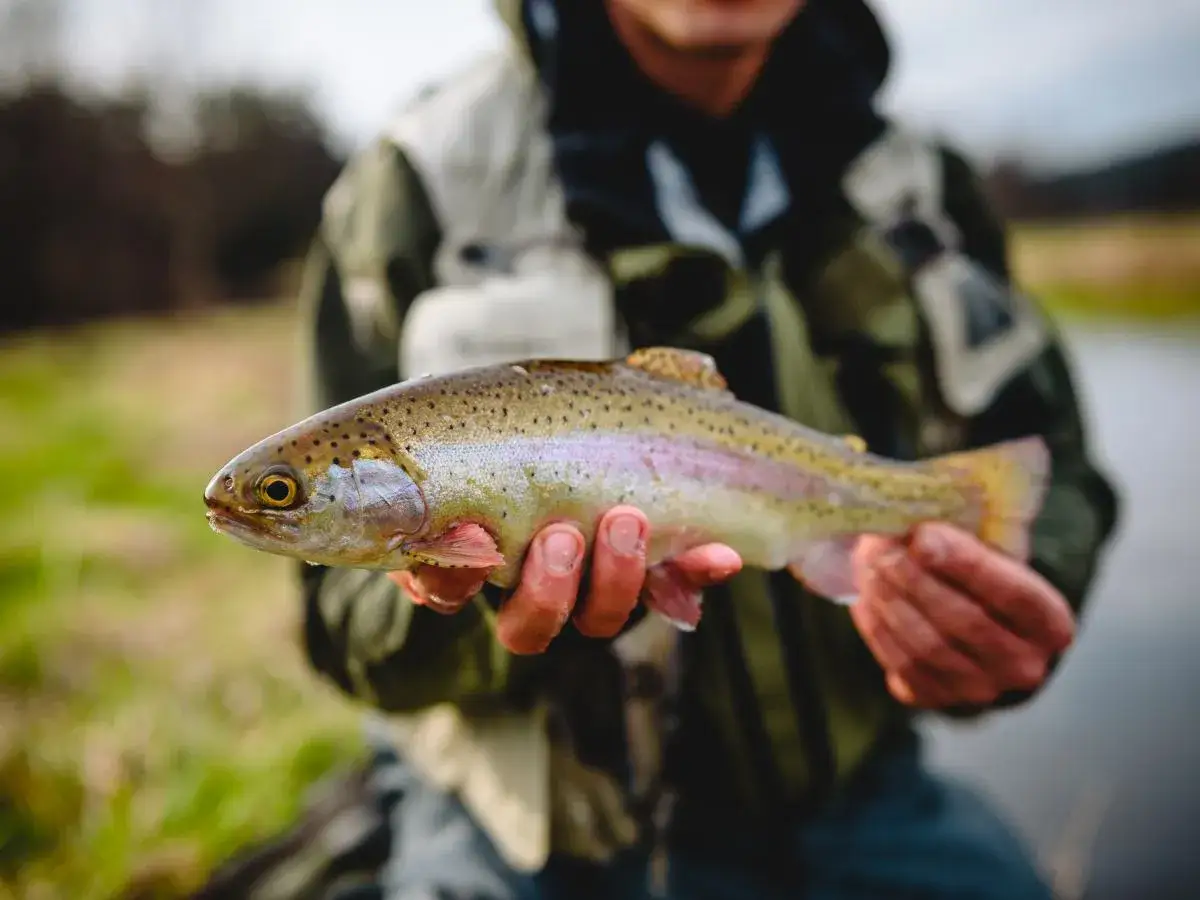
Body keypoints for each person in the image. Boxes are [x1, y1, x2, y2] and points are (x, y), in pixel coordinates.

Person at [285, 1, 1120, 898]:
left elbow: (1055, 470)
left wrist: (1018, 596)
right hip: (543, 833)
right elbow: (339, 621)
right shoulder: (416, 180)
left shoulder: (922, 179)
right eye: (282, 493)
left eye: (281, 493)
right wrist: (468, 601)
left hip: (863, 793)